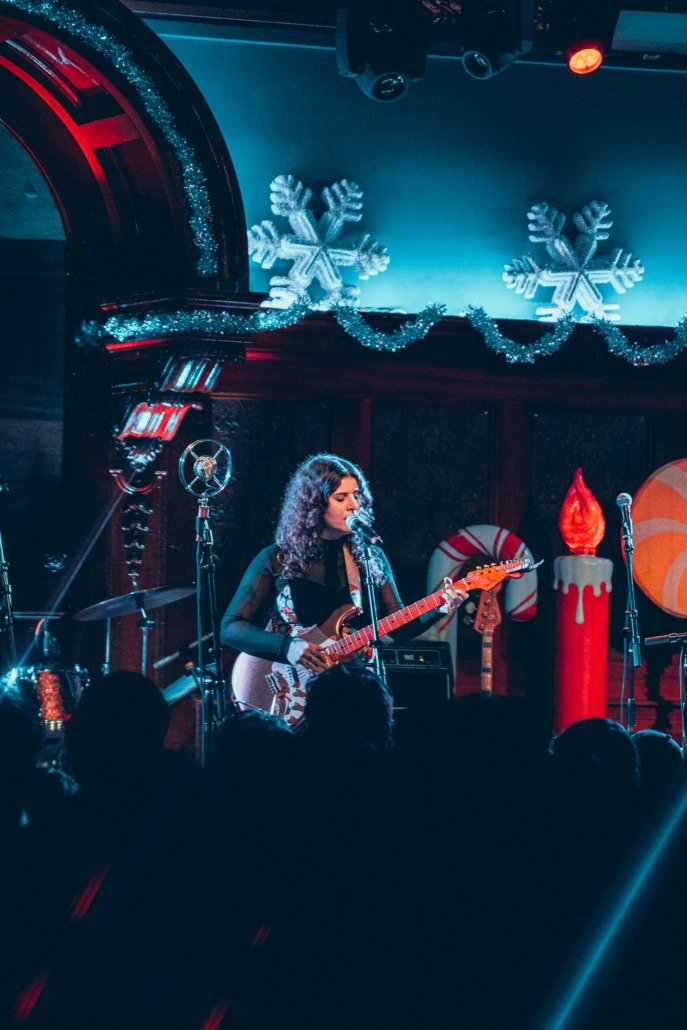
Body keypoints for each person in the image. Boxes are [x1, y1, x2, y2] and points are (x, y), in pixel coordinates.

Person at [221, 453, 463, 716]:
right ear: (313, 506)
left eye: (356, 495)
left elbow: (398, 624)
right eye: (341, 497)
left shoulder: (370, 557)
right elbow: (231, 628)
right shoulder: (277, 558)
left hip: (352, 690)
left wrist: (438, 607)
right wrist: (287, 647)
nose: (353, 505)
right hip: (290, 687)